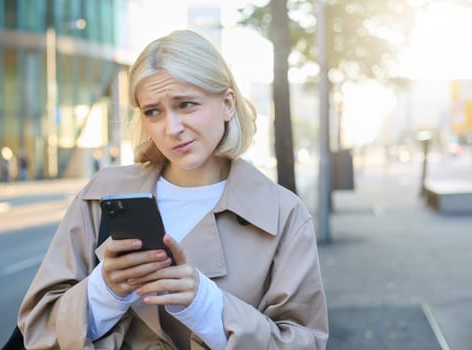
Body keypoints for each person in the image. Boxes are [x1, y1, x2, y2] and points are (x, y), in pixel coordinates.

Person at [18, 29, 328, 349]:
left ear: (227, 104)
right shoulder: (100, 196)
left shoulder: (282, 213)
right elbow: (39, 329)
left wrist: (206, 305)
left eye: (187, 105)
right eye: (153, 111)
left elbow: (304, 340)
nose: (172, 128)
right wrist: (105, 290)